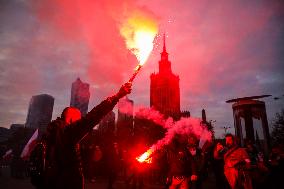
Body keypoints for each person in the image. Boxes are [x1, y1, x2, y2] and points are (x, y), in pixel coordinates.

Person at [42, 82, 132, 189]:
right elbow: (92, 117)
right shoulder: (67, 133)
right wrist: (117, 96)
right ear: (71, 119)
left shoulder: (53, 133)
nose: (79, 122)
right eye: (78, 120)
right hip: (64, 184)